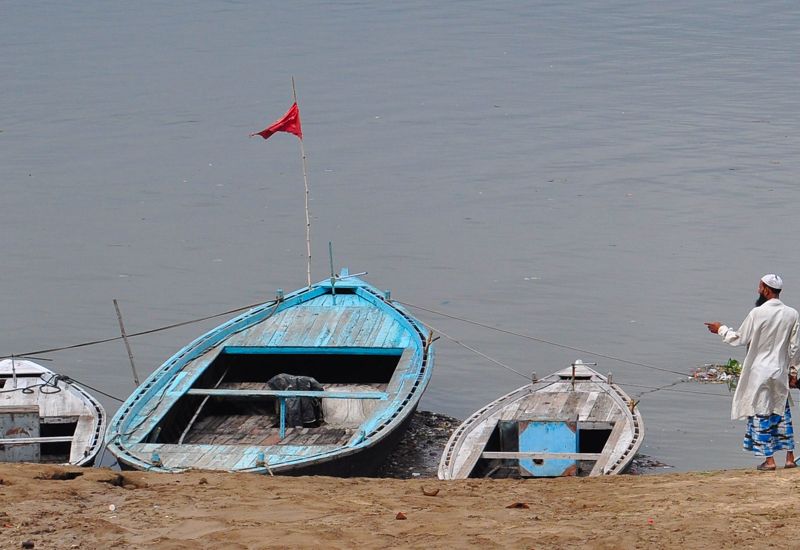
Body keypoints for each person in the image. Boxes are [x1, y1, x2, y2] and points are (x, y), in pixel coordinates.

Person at [705, 274, 800, 471]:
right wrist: (793, 372)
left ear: (766, 289)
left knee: (761, 413)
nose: (758, 290)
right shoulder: (792, 314)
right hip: (779, 371)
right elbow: (795, 348)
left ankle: (770, 460)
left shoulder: (757, 313)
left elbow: (739, 338)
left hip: (760, 373)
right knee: (782, 411)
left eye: (760, 287)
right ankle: (790, 458)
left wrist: (720, 329)